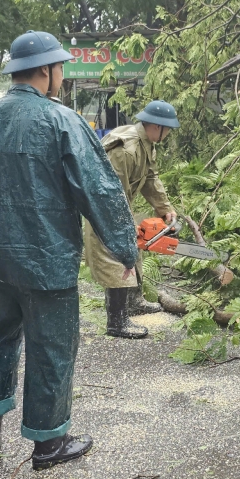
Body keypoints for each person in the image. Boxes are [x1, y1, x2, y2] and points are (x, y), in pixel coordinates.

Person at [0, 30, 139, 471]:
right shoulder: (63, 121)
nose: (62, 75)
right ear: (46, 70)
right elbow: (98, 189)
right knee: (51, 350)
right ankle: (49, 445)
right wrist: (125, 247)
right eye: (60, 68)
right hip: (47, 263)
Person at [85, 100, 179, 339]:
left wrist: (164, 209)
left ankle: (134, 302)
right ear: (156, 126)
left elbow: (150, 179)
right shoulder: (126, 149)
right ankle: (116, 321)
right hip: (104, 207)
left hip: (118, 204)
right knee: (115, 258)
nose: (168, 134)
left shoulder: (146, 144)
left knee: (133, 248)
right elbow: (111, 192)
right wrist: (125, 222)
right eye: (167, 129)